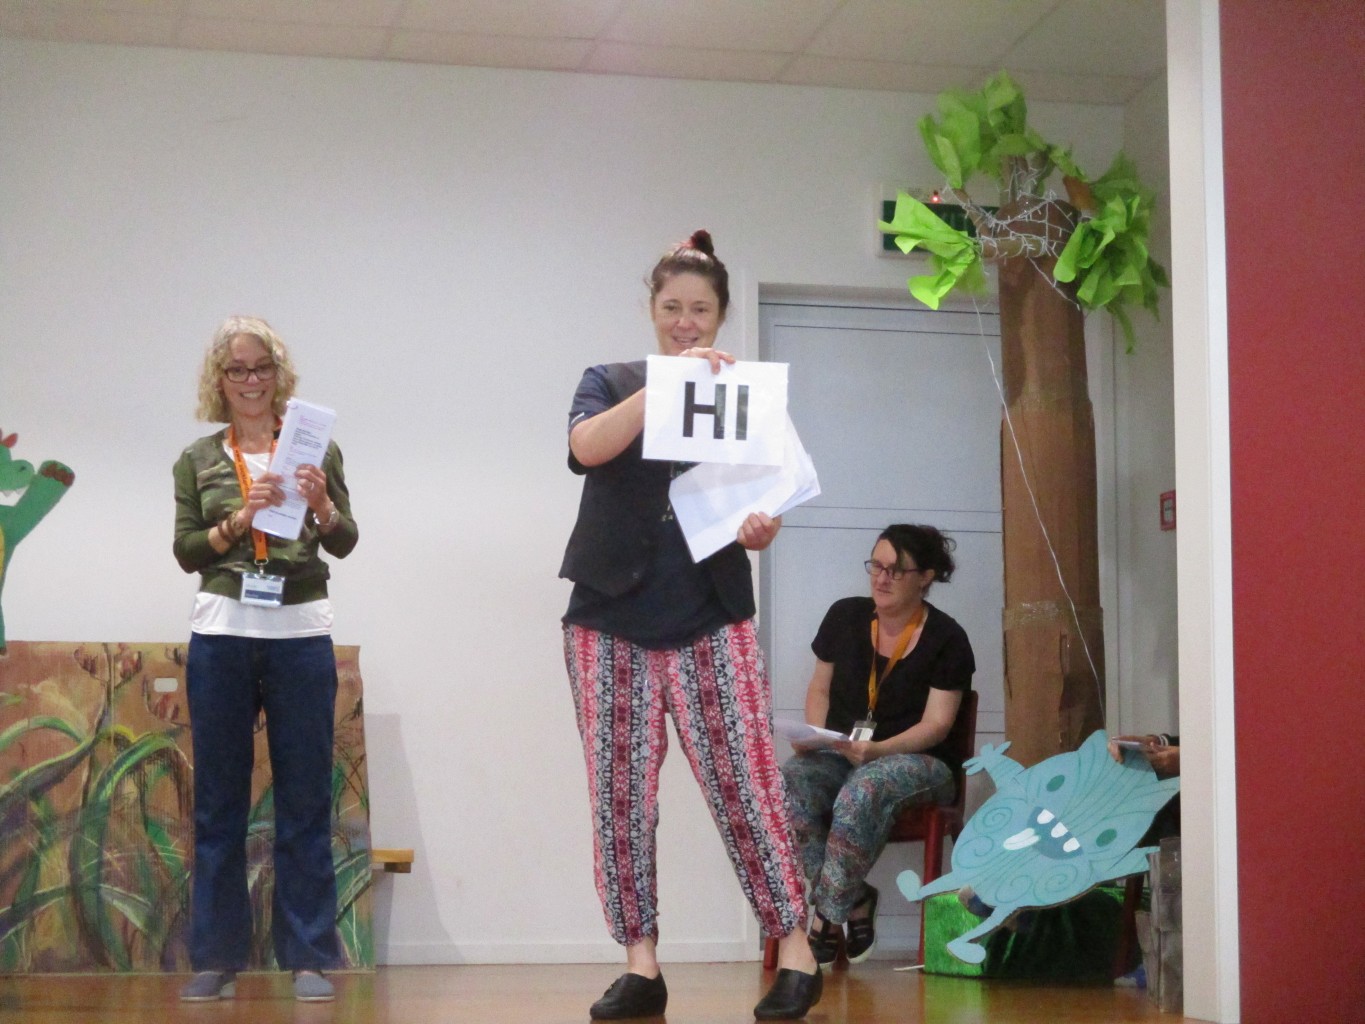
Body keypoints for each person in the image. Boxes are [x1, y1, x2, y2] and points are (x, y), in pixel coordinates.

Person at [560, 231, 821, 1021]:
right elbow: (584, 448)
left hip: (710, 614)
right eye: (671, 307)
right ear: (652, 309)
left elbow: (765, 498)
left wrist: (761, 529)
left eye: (699, 310)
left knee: (747, 782)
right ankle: (640, 965)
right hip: (608, 618)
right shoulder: (610, 380)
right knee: (619, 797)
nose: (684, 322)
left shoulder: (746, 393)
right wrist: (662, 389)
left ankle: (796, 948)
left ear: (720, 315)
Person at [172, 316, 358, 1003]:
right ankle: (217, 957)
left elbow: (345, 540)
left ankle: (308, 956)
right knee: (219, 802)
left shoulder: (315, 448)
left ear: (279, 375)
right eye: (237, 370)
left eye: (261, 368)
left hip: (301, 633)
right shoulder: (197, 458)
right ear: (218, 381)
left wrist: (323, 506)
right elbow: (187, 551)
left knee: (305, 799)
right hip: (223, 631)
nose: (250, 381)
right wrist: (237, 521)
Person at [781, 524, 974, 967]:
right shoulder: (844, 615)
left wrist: (880, 750)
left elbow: (937, 725)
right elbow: (820, 688)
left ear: (925, 577)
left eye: (895, 570)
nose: (882, 578)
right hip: (842, 753)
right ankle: (855, 899)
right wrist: (815, 736)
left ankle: (824, 920)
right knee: (787, 785)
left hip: (920, 761)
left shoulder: (948, 638)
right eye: (876, 566)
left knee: (864, 790)